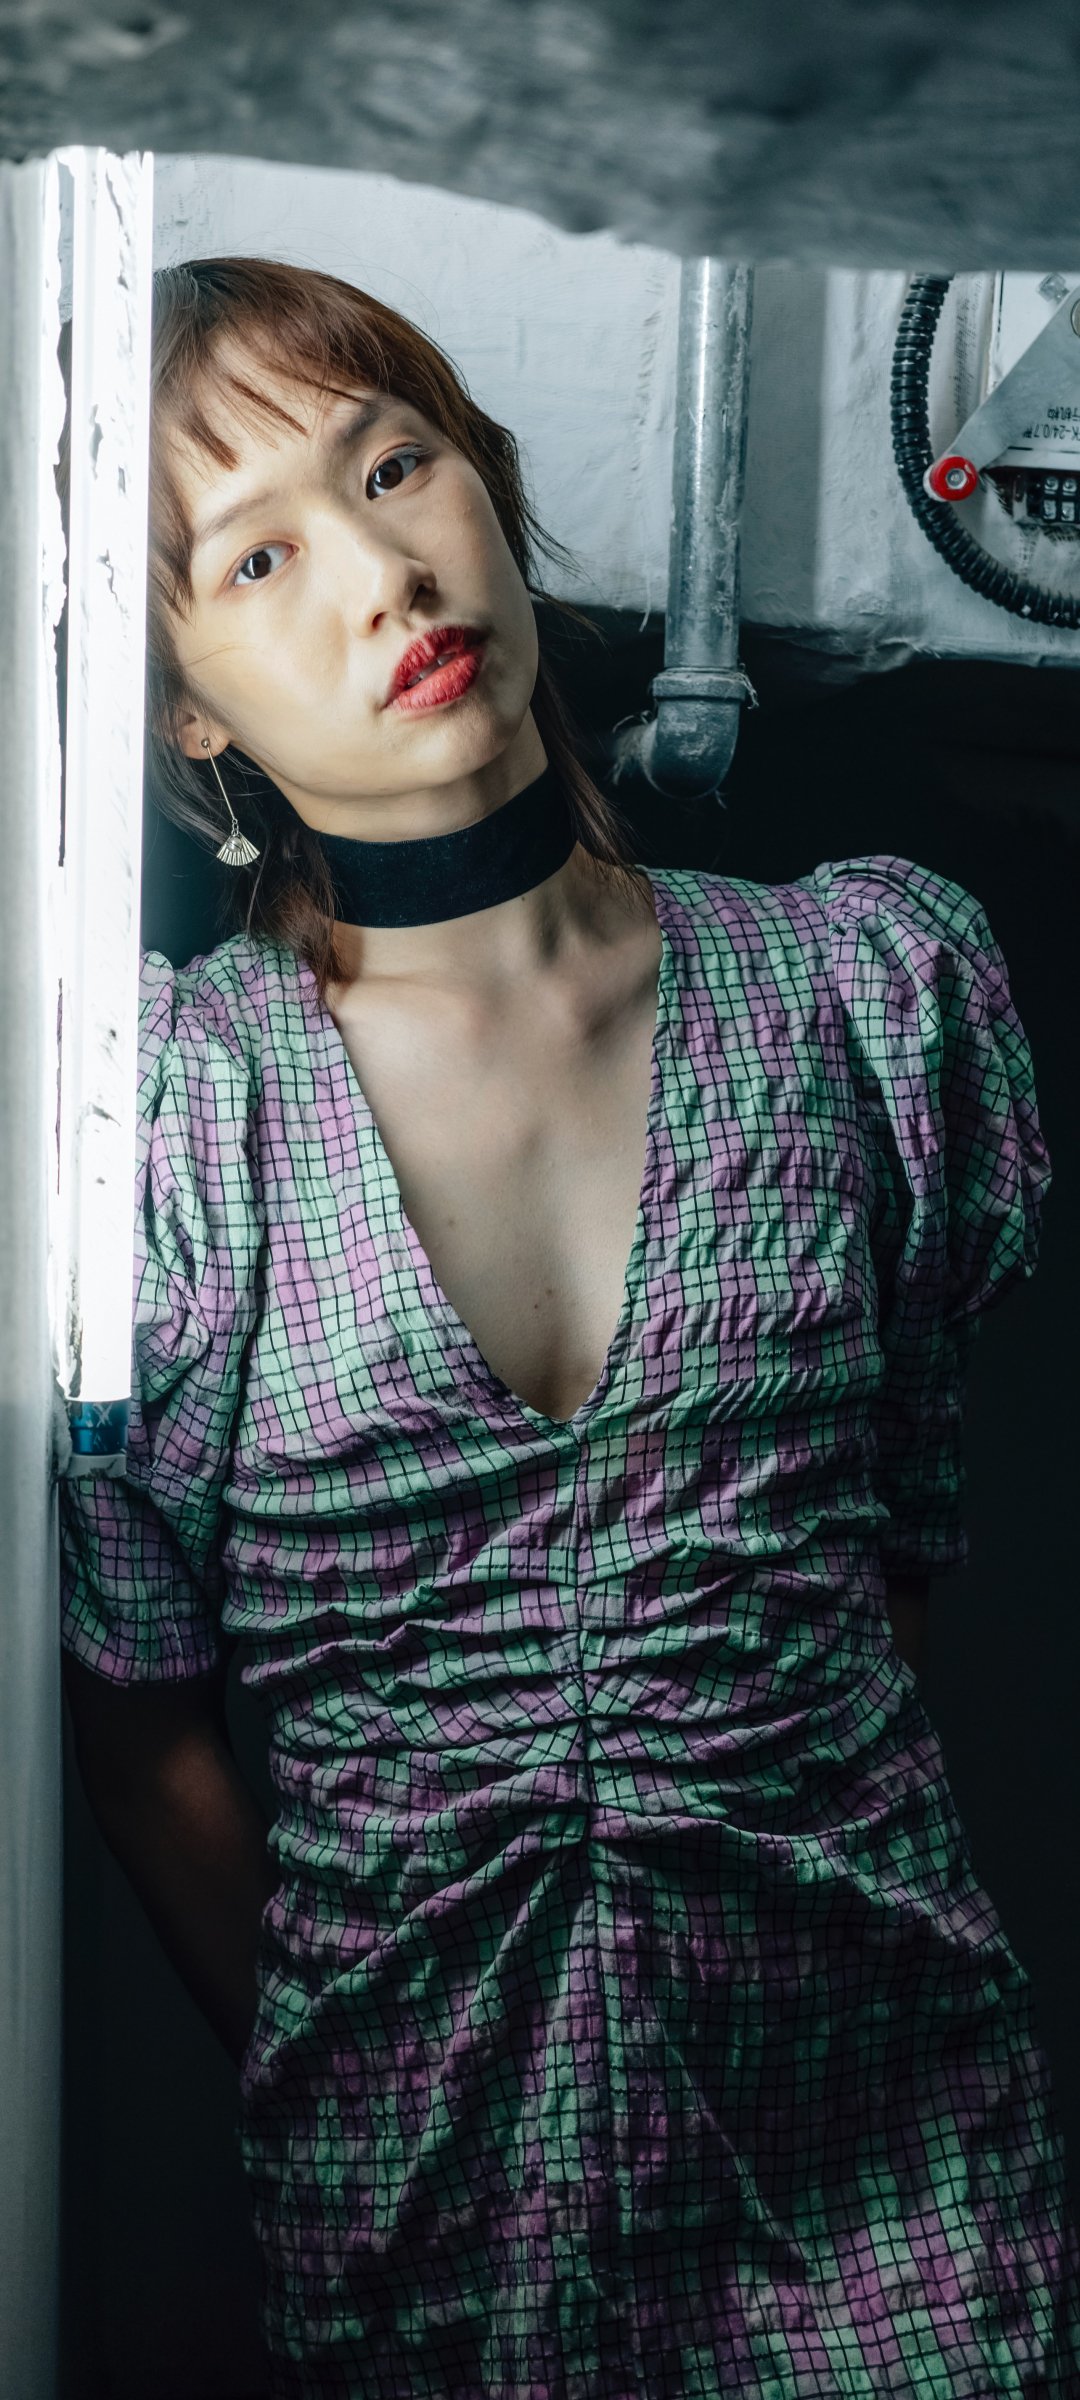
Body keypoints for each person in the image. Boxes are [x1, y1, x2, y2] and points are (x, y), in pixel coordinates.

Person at [58, 257, 1079, 2400]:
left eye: (395, 468)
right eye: (257, 556)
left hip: (897, 2173)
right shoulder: (175, 1122)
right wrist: (358, 2067)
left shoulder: (858, 996)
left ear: (490, 487)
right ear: (185, 708)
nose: (383, 574)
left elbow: (890, 1555)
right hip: (432, 2227)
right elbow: (139, 1729)